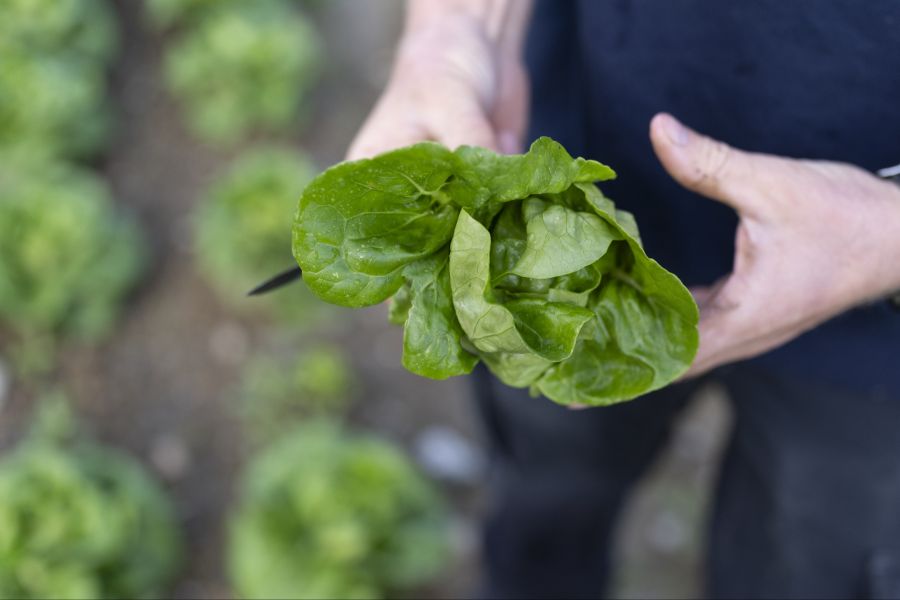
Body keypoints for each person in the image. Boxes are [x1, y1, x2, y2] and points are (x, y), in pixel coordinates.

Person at [349, 1, 900, 597]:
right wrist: (458, 25)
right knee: (550, 486)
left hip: (874, 320)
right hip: (564, 189)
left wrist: (885, 234)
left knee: (808, 561)